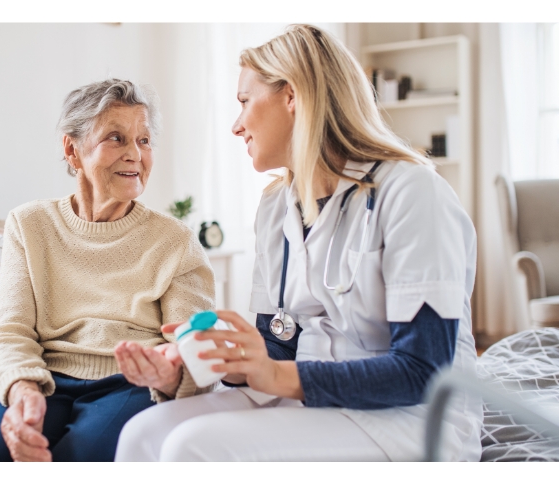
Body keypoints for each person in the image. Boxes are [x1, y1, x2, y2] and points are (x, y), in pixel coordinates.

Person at [114, 24, 483, 462]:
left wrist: (277, 374)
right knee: (142, 433)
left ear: (292, 96)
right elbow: (278, 346)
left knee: (188, 448)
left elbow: (424, 372)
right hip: (310, 395)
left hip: (407, 417)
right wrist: (193, 360)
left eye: (244, 102)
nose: (236, 126)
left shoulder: (413, 192)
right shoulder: (275, 208)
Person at [0, 79, 215, 462]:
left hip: (131, 385)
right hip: (46, 380)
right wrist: (21, 391)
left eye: (144, 141)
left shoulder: (175, 240)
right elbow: (9, 332)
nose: (135, 154)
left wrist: (168, 373)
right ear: (72, 149)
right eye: (116, 138)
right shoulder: (29, 225)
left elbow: (195, 348)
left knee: (81, 457)